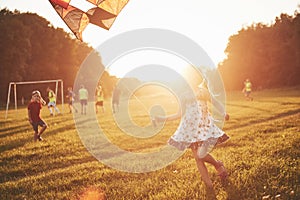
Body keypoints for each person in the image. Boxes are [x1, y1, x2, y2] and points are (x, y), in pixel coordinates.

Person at [154, 79, 230, 191]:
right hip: (189, 129)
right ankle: (209, 187)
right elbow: (179, 113)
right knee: (198, 158)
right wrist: (162, 119)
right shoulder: (183, 95)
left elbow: (215, 102)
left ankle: (217, 164)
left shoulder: (202, 91)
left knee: (201, 155)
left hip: (203, 127)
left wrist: (223, 113)